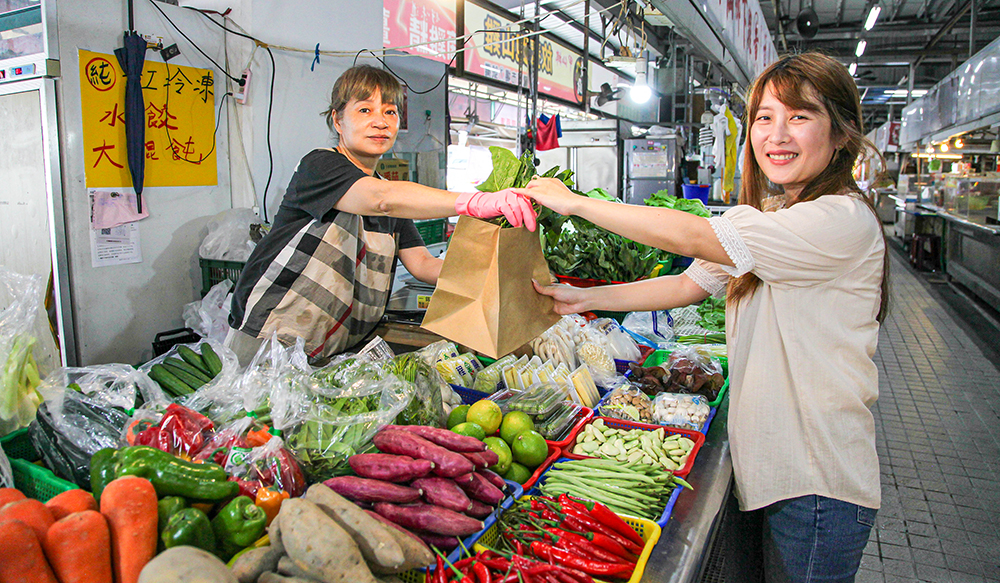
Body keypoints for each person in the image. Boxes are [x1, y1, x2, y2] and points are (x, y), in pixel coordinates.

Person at [516, 51, 888, 583]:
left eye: (799, 117)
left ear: (841, 134)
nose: (776, 135)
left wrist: (576, 203)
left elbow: (697, 236)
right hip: (784, 472)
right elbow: (688, 283)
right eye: (764, 117)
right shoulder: (782, 213)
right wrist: (582, 299)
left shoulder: (839, 218)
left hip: (817, 480)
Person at [226, 65, 536, 365]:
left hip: (331, 348)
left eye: (390, 112)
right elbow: (380, 200)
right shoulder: (319, 167)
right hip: (270, 340)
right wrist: (477, 202)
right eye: (365, 110)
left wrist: (499, 278)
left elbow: (423, 264)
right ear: (337, 120)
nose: (380, 122)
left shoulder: (390, 195)